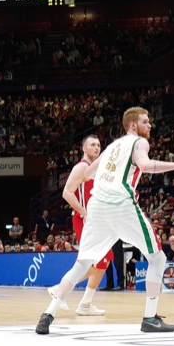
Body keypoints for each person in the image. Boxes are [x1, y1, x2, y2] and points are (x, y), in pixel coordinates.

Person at [36, 107, 174, 335]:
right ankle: (150, 318)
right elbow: (145, 165)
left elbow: (89, 172)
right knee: (158, 257)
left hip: (98, 206)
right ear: (133, 125)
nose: (149, 125)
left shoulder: (112, 146)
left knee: (82, 263)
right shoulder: (139, 143)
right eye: (145, 121)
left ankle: (47, 315)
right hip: (120, 205)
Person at [61, 135, 114, 316]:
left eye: (99, 145)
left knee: (103, 260)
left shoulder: (97, 169)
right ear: (84, 148)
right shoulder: (82, 167)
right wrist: (83, 212)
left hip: (97, 220)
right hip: (85, 219)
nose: (96, 147)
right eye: (92, 145)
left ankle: (84, 303)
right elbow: (67, 192)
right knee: (98, 259)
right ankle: (61, 289)